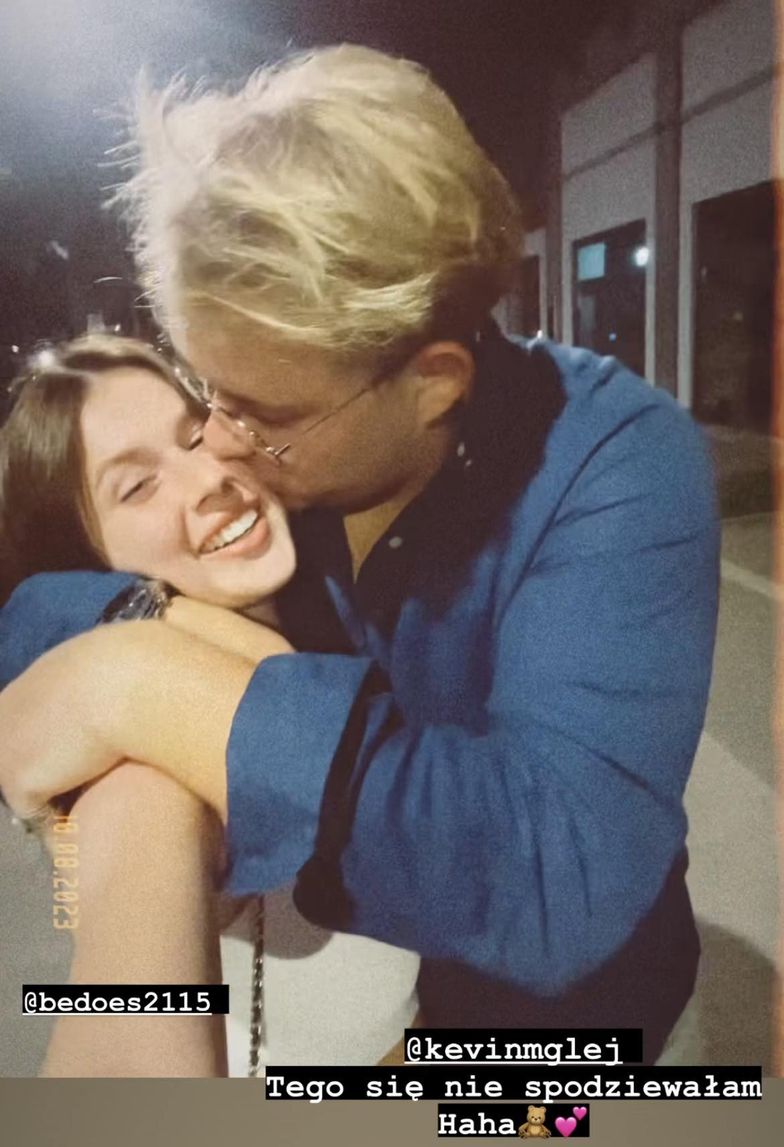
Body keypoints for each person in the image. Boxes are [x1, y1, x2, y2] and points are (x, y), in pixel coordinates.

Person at [0, 44, 720, 1063]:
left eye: (264, 414)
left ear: (432, 383)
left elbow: (555, 873)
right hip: (392, 1009)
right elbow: (47, 593)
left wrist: (136, 682)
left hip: (572, 1035)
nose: (220, 447)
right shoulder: (271, 478)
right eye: (207, 393)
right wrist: (145, 636)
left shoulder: (618, 461)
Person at [0, 334, 420, 1075]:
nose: (208, 479)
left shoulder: (346, 595)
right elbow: (127, 1035)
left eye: (197, 435)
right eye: (138, 486)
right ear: (83, 562)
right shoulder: (137, 766)